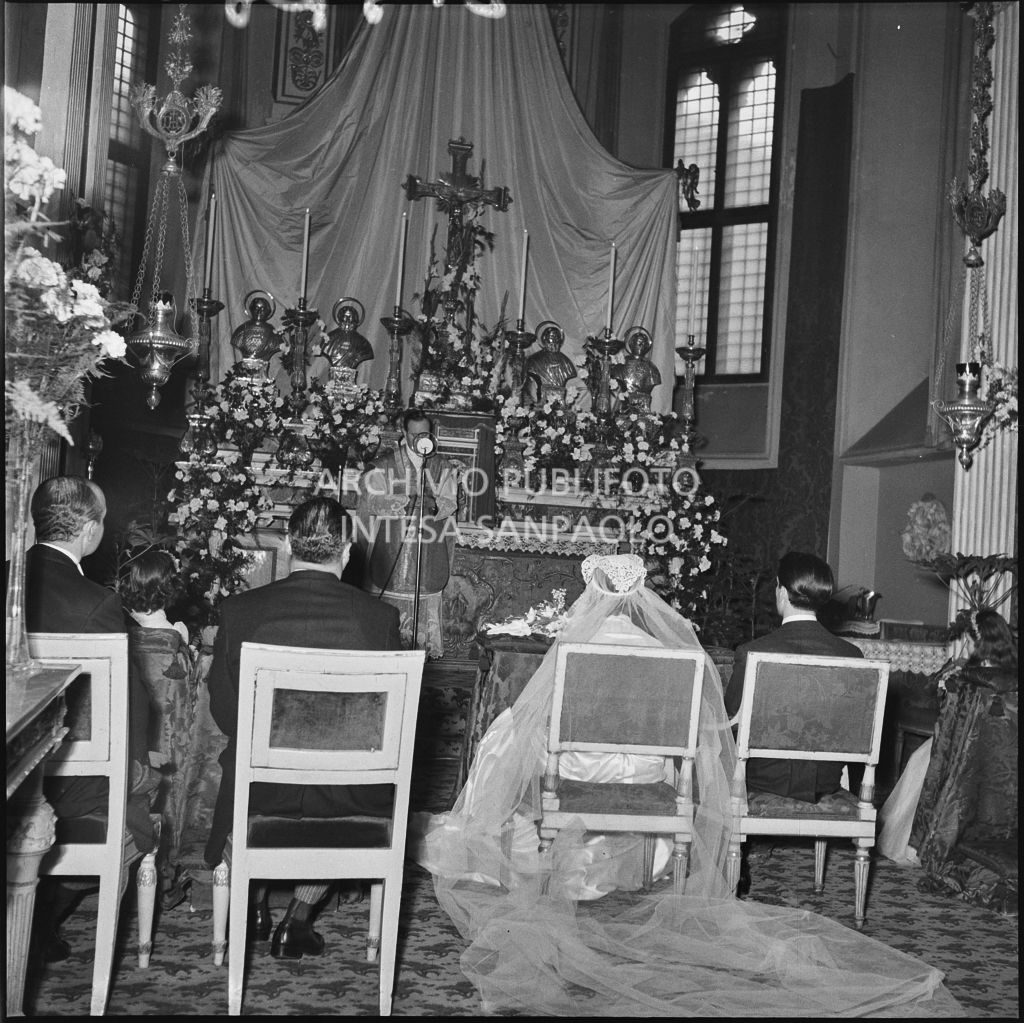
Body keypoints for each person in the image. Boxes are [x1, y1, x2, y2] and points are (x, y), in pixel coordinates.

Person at [411, 553, 960, 1016]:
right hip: (687, 780)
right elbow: (706, 731)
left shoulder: (580, 647)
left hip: (581, 778)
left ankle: (544, 844)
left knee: (510, 736)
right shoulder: (676, 653)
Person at [204, 496, 401, 960]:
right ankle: (297, 919)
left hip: (258, 793)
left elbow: (226, 714)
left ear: (289, 545)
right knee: (366, 792)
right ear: (347, 551)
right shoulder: (379, 620)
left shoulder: (240, 611)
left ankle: (253, 906)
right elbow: (387, 727)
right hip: (347, 800)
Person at [24, 476, 158, 961]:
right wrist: (137, 768)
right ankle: (38, 917)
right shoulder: (95, 602)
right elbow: (126, 701)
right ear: (89, 530)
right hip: (61, 778)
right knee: (135, 800)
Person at [883, 610, 1017, 913]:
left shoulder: (972, 680)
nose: (966, 646)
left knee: (920, 760)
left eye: (968, 640)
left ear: (980, 643)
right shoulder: (1003, 673)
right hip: (996, 756)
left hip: (967, 751)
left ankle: (918, 841)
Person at [726, 550, 864, 804]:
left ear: (782, 591)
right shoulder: (852, 655)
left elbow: (731, 721)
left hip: (762, 779)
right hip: (827, 781)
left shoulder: (752, 651)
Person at [118, 548, 197, 909]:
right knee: (172, 785)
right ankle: (165, 873)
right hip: (167, 748)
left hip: (130, 750)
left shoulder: (119, 638)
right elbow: (187, 707)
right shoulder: (176, 640)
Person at [357, 408, 459, 658]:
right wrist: (406, 500)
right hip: (391, 550)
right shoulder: (383, 465)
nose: (420, 440)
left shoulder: (442, 467)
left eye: (425, 434)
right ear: (404, 432)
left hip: (428, 552)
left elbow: (449, 503)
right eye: (414, 435)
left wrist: (435, 504)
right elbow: (372, 499)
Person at [524, 322, 577, 404]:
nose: (554, 342)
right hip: (542, 401)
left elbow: (571, 372)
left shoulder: (566, 362)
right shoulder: (533, 360)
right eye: (551, 338)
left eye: (557, 338)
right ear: (544, 340)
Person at [612, 327, 661, 413]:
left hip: (644, 409)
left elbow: (654, 381)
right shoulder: (620, 366)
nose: (641, 346)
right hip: (626, 408)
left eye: (644, 343)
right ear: (631, 344)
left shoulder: (651, 368)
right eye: (639, 343)